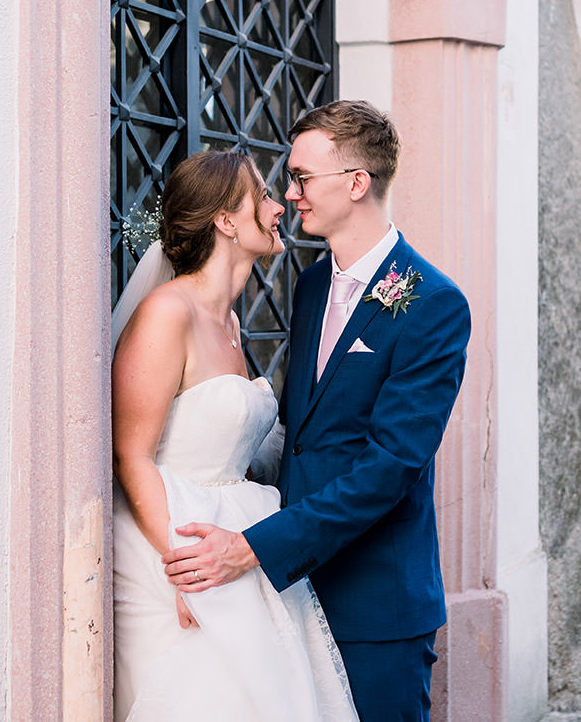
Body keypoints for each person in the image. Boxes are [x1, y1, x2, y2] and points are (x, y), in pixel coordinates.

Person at [162, 100, 472, 721]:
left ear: (357, 183)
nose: (290, 193)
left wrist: (251, 548)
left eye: (303, 177)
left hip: (373, 601)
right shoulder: (309, 286)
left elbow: (389, 469)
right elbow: (298, 438)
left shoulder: (434, 305)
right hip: (290, 597)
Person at [111, 149, 359, 721]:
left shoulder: (228, 321)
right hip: (174, 538)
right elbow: (132, 456)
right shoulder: (166, 314)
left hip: (238, 532)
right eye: (264, 197)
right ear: (225, 220)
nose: (279, 208)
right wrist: (184, 567)